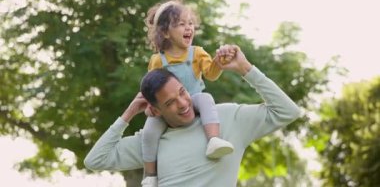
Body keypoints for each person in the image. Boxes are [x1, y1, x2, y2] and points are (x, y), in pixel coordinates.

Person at [84, 44, 302, 187]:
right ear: (157, 110)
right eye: (170, 103)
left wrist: (245, 68)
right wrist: (128, 114)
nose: (183, 103)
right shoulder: (151, 140)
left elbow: (287, 111)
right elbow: (95, 160)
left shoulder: (227, 117)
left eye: (182, 92)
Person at [140, 0, 235, 186]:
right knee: (149, 132)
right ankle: (150, 175)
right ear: (166, 32)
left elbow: (211, 74)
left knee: (206, 98)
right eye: (181, 24)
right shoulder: (158, 61)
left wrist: (218, 63)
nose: (188, 28)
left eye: (190, 23)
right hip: (169, 109)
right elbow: (152, 88)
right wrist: (150, 107)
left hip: (194, 100)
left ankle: (213, 140)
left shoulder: (197, 53)